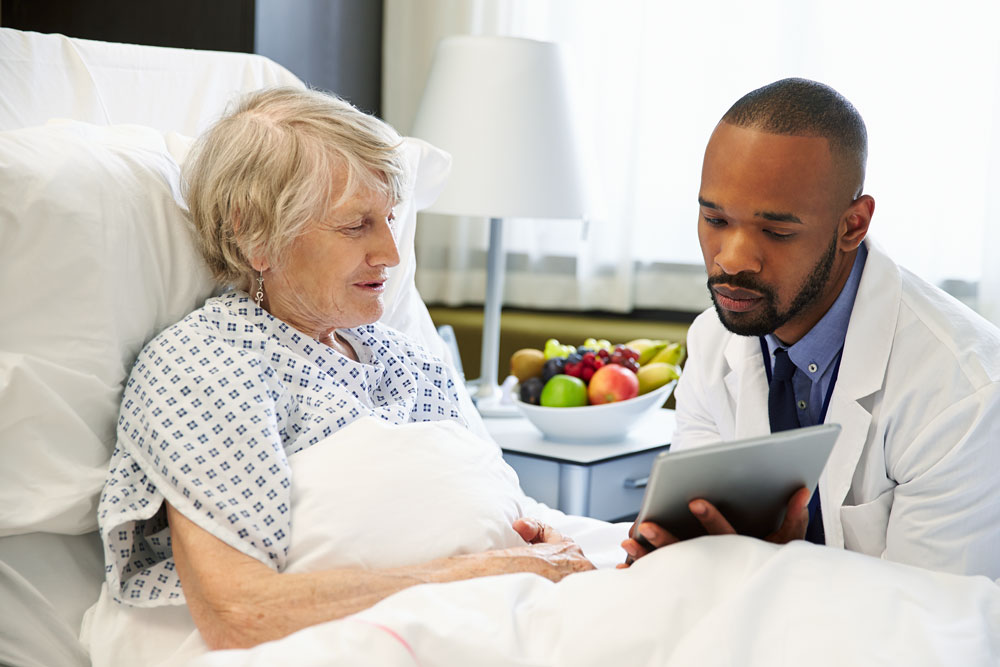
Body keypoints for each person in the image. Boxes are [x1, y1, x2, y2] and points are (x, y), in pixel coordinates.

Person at [89, 87, 593, 654]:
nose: (391, 254)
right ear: (257, 235)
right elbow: (241, 612)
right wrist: (497, 570)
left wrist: (545, 549)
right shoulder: (205, 365)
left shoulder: (404, 359)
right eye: (356, 226)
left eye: (390, 220)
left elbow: (500, 510)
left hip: (502, 612)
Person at [622, 78, 1000, 579]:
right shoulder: (714, 341)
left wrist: (783, 568)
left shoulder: (964, 393)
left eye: (776, 231)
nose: (731, 260)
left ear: (852, 226)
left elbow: (928, 624)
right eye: (714, 219)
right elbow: (690, 558)